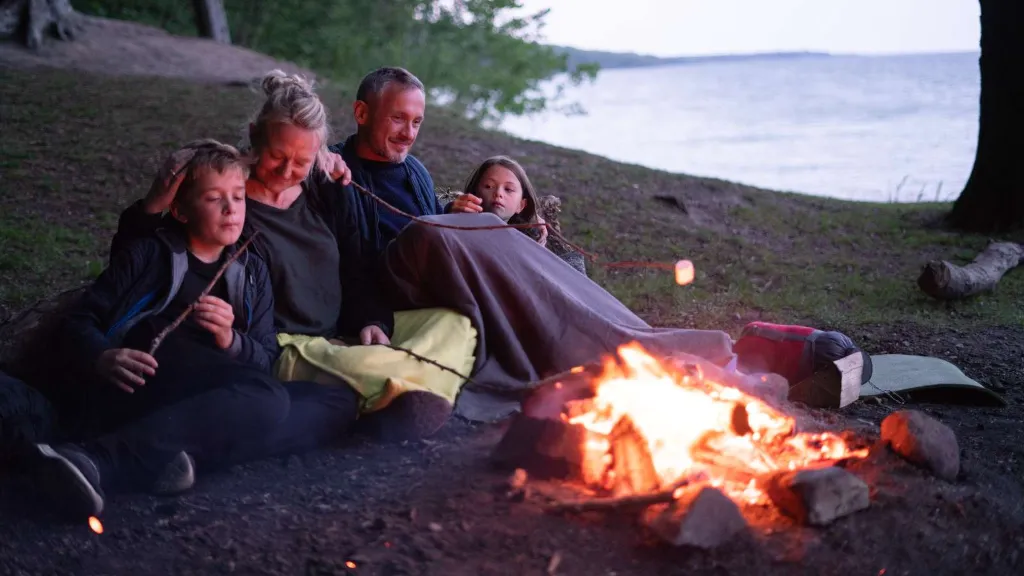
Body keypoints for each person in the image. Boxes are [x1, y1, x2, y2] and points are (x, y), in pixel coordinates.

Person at [112, 71, 474, 442]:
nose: (287, 172)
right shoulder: (229, 201)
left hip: (344, 334)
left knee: (455, 325)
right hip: (287, 345)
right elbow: (139, 262)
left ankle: (400, 394)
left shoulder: (324, 190)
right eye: (276, 157)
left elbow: (355, 264)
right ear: (255, 135)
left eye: (300, 162)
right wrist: (151, 208)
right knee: (375, 364)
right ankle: (408, 396)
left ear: (318, 154)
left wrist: (368, 318)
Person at [32, 141, 361, 518]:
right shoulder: (149, 255)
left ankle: (171, 457)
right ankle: (98, 459)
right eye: (213, 198)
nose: (231, 209)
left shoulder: (251, 270)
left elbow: (265, 355)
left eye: (238, 197)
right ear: (181, 210)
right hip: (148, 381)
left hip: (214, 392)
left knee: (335, 403)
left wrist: (230, 339)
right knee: (265, 398)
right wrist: (102, 356)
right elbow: (78, 321)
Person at [459, 155, 586, 275]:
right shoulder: (456, 222)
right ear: (474, 193)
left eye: (508, 189)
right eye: (489, 186)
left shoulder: (527, 246)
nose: (498, 193)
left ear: (521, 205)